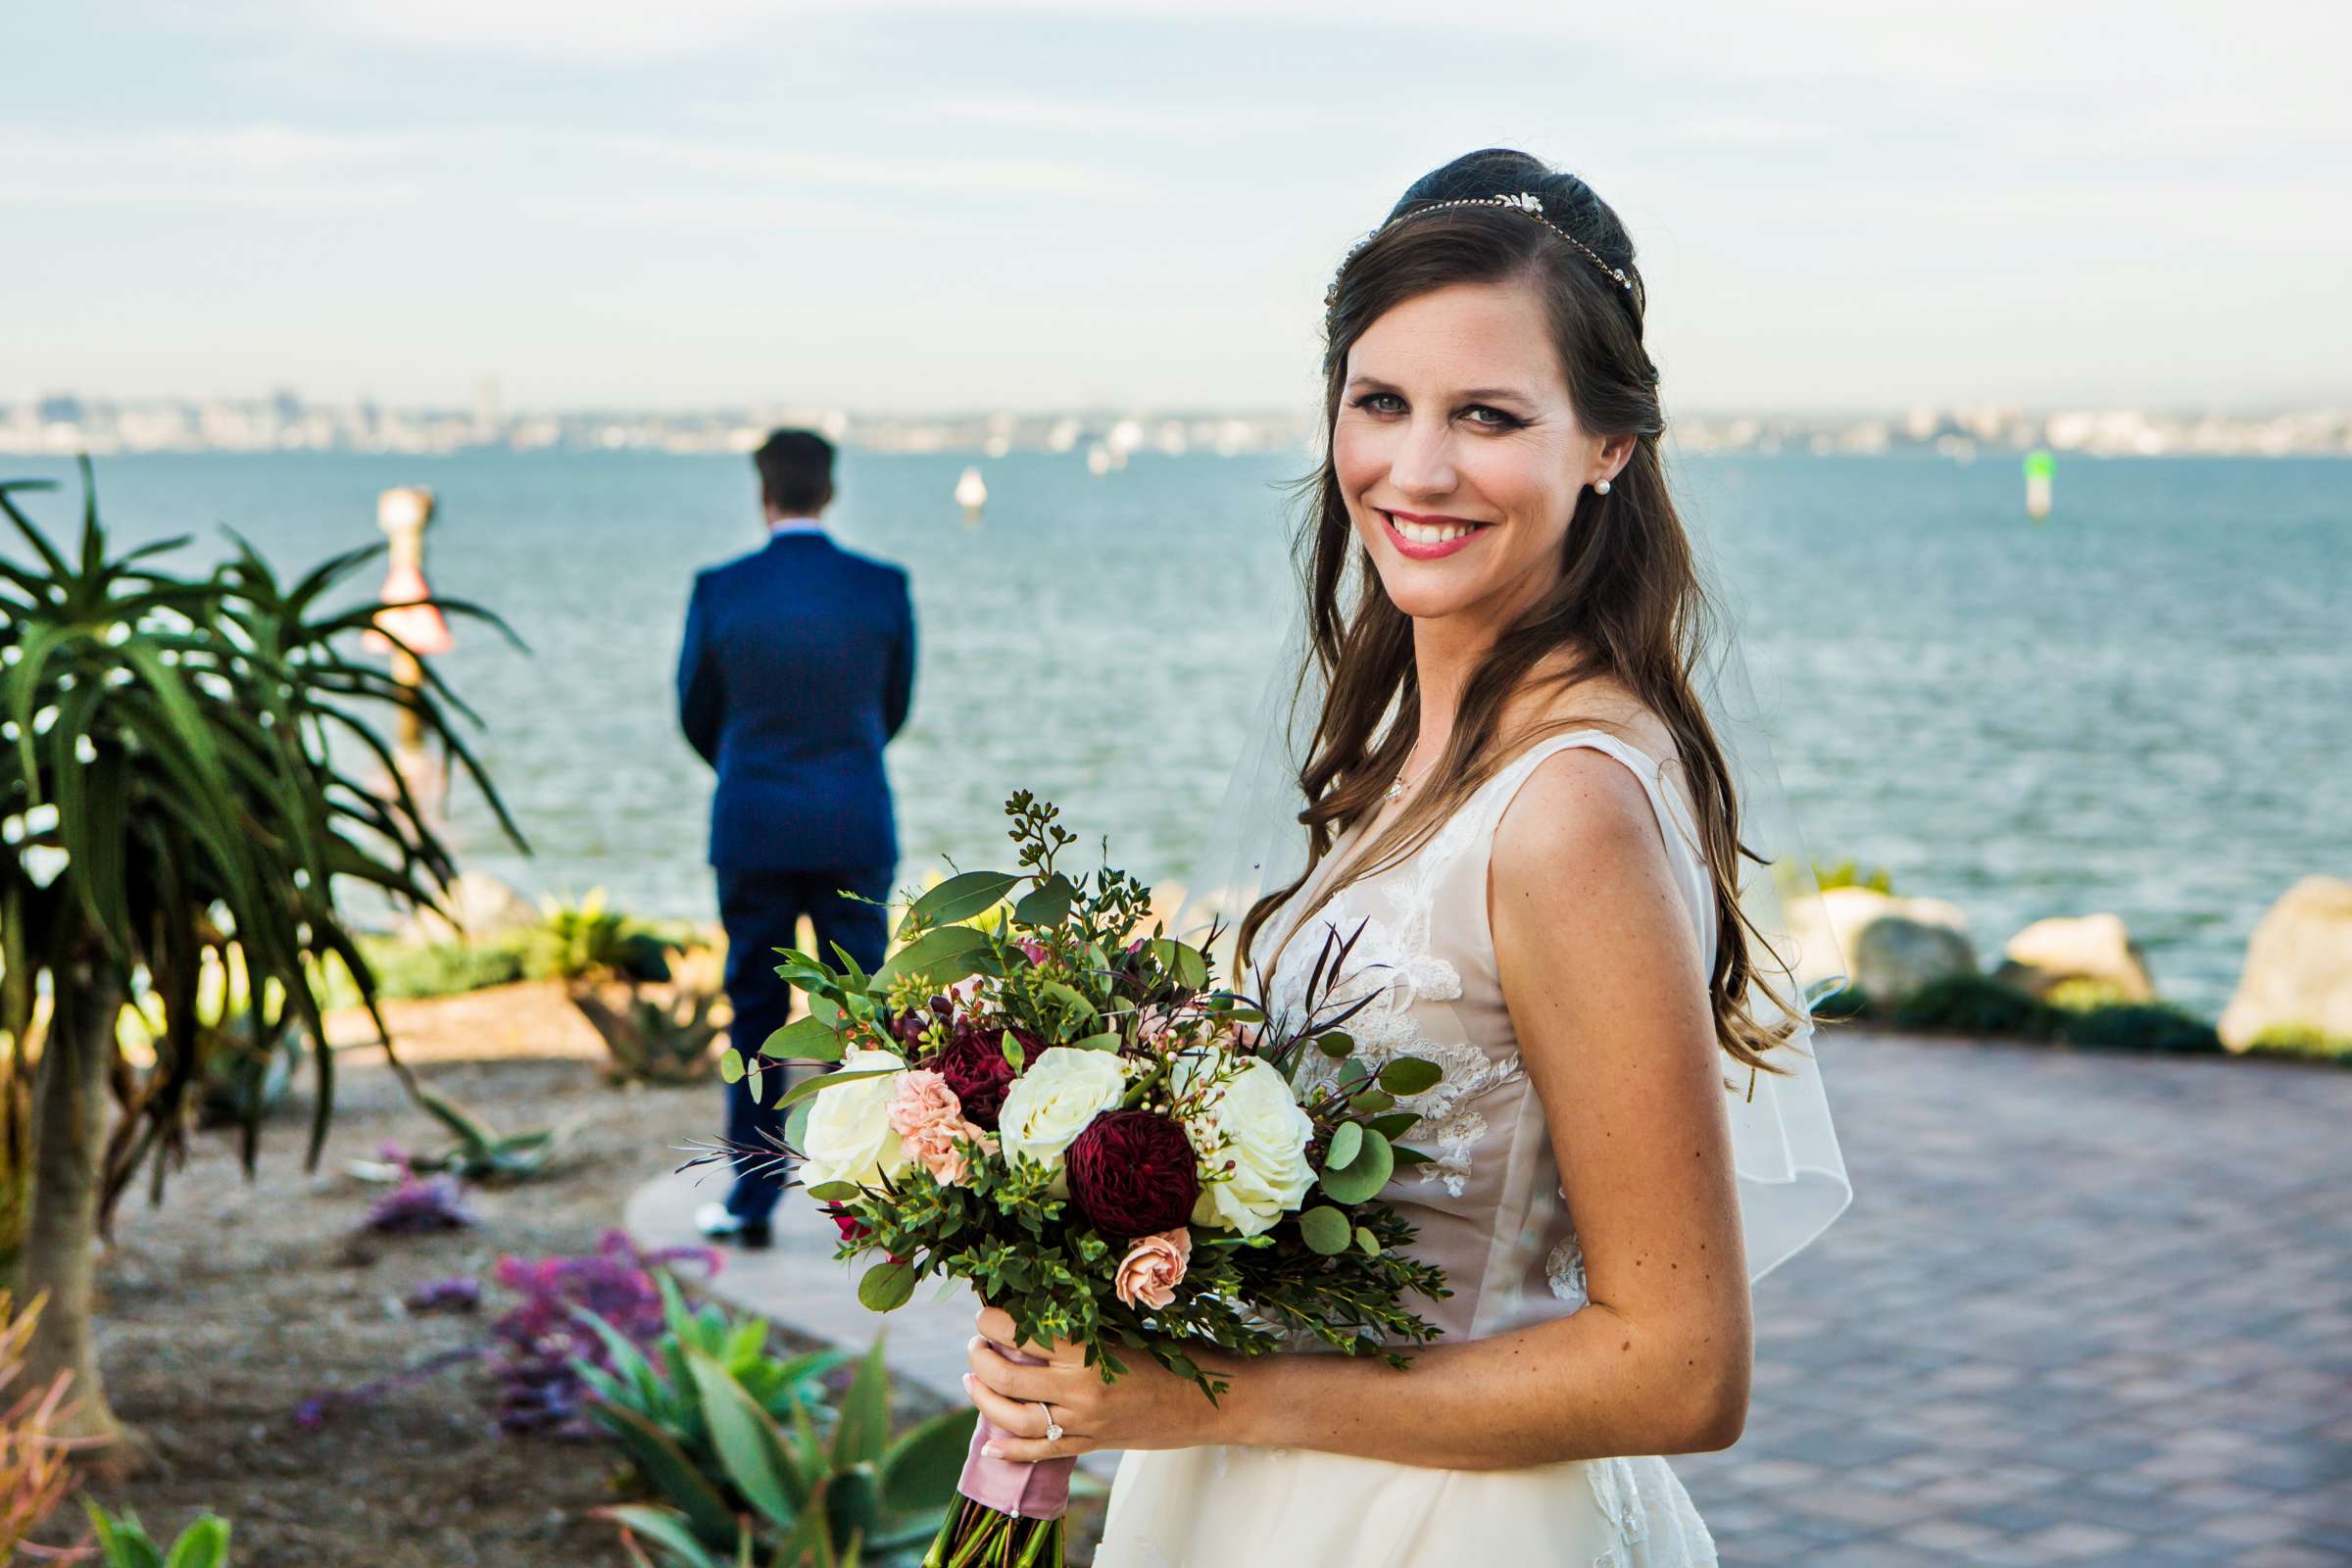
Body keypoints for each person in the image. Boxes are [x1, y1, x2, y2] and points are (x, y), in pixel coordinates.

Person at [960, 150, 1846, 1564]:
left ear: (1609, 443)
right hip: (1287, 1489)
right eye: (1380, 403)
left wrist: (1211, 1403)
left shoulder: (1568, 808)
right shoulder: (1418, 752)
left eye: (1488, 416)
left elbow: (1681, 1369)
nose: (1415, 469)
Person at [678, 428, 916, 1248]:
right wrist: (835, 766)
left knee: (753, 1015)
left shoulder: (720, 590)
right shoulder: (882, 587)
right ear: (830, 489)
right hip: (853, 818)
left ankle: (750, 1204)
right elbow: (893, 708)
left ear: (763, 490)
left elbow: (695, 712)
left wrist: (754, 769)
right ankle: (886, 1201)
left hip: (752, 826)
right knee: (866, 1014)